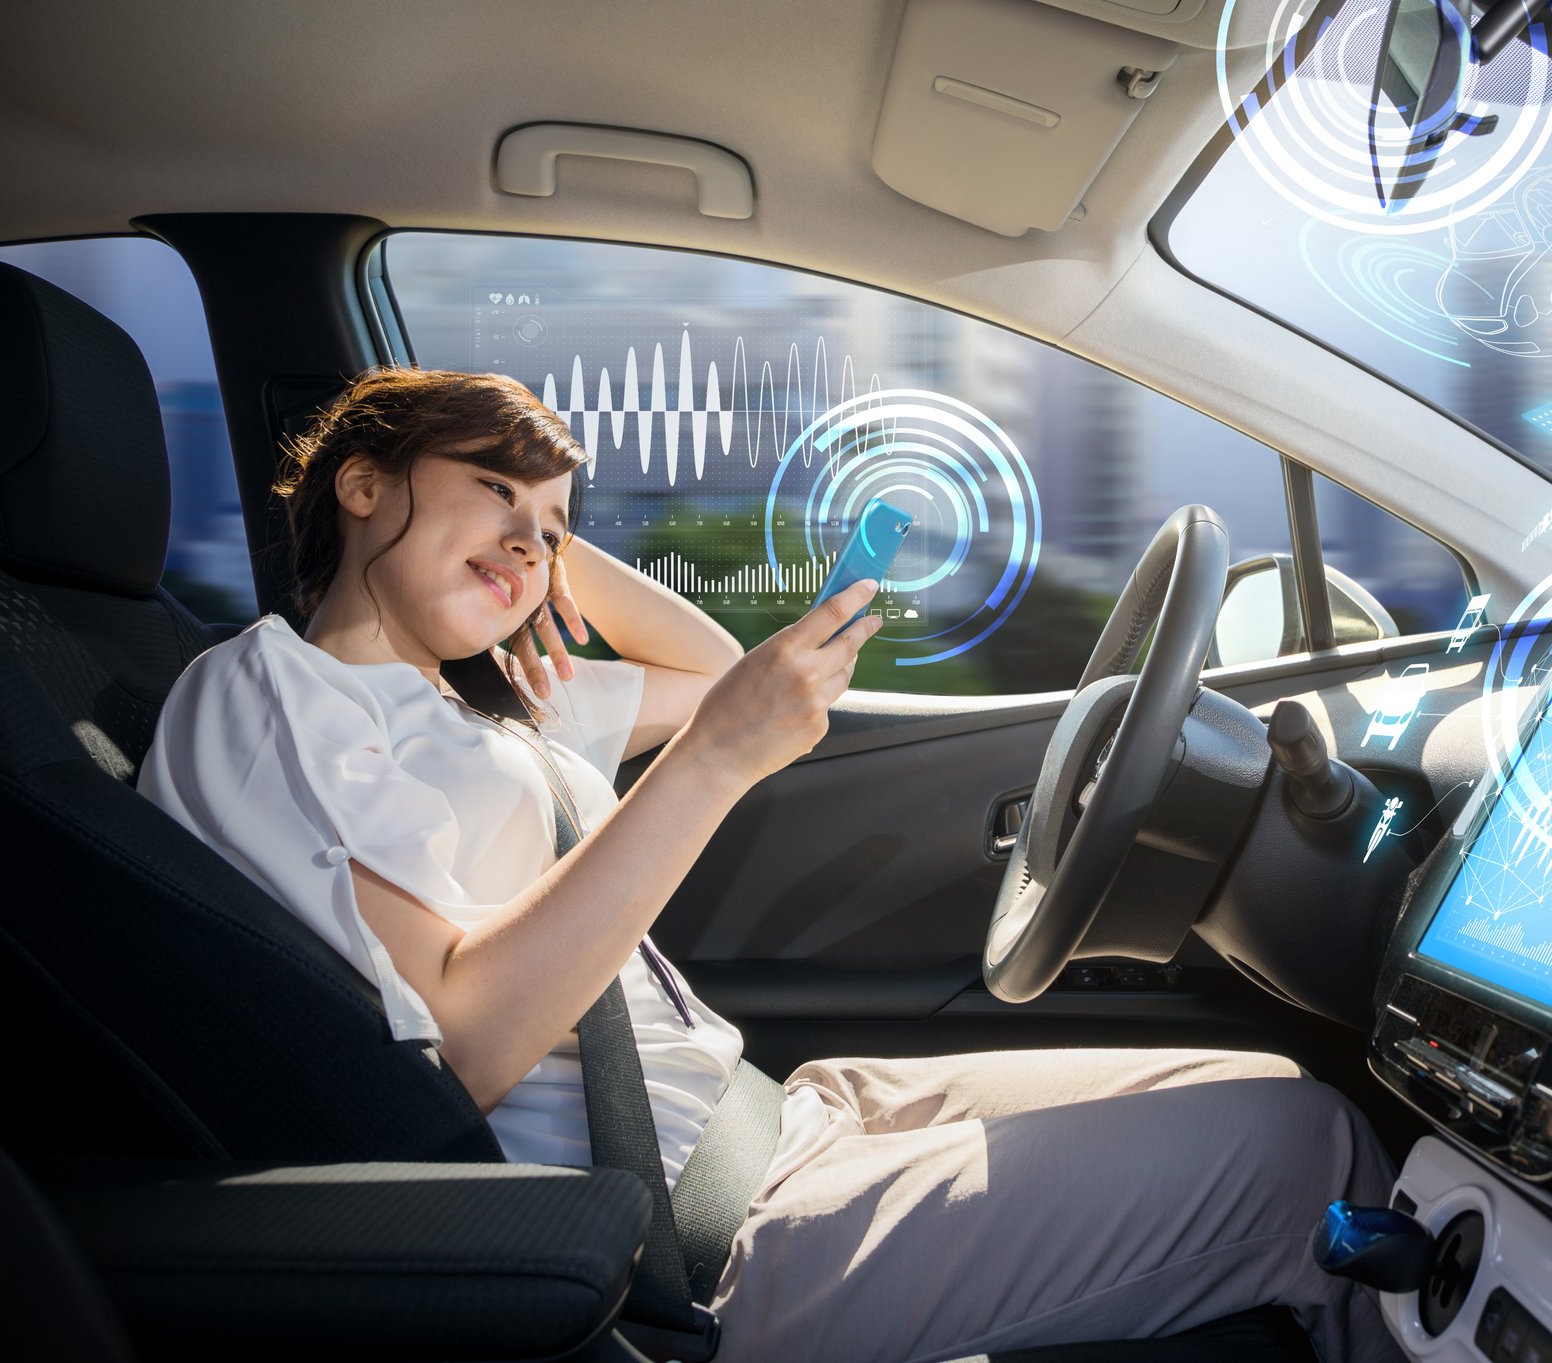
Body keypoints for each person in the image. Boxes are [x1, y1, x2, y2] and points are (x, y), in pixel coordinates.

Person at [139, 367, 1396, 1363]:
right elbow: (459, 1045)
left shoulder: (491, 701)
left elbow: (706, 672)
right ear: (363, 484)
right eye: (492, 488)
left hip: (770, 1117)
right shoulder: (271, 691)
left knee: (1265, 1082)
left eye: (553, 525)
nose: (530, 545)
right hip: (685, 1229)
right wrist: (708, 763)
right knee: (1306, 1154)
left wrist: (543, 551)